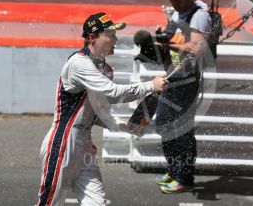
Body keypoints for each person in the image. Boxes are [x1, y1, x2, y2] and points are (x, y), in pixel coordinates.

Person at [36, 12, 168, 206]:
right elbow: (114, 93)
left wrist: (122, 126)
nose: (115, 39)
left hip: (84, 146)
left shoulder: (105, 69)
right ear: (92, 38)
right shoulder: (79, 63)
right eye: (110, 34)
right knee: (48, 203)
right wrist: (150, 86)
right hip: (63, 143)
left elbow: (98, 110)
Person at [154, 0, 213, 194]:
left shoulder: (199, 16)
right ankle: (175, 168)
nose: (174, 5)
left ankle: (185, 177)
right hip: (174, 76)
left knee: (180, 128)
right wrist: (165, 33)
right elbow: (176, 37)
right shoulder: (180, 12)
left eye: (178, 0)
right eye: (171, 1)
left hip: (187, 79)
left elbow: (197, 49)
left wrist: (167, 43)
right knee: (164, 124)